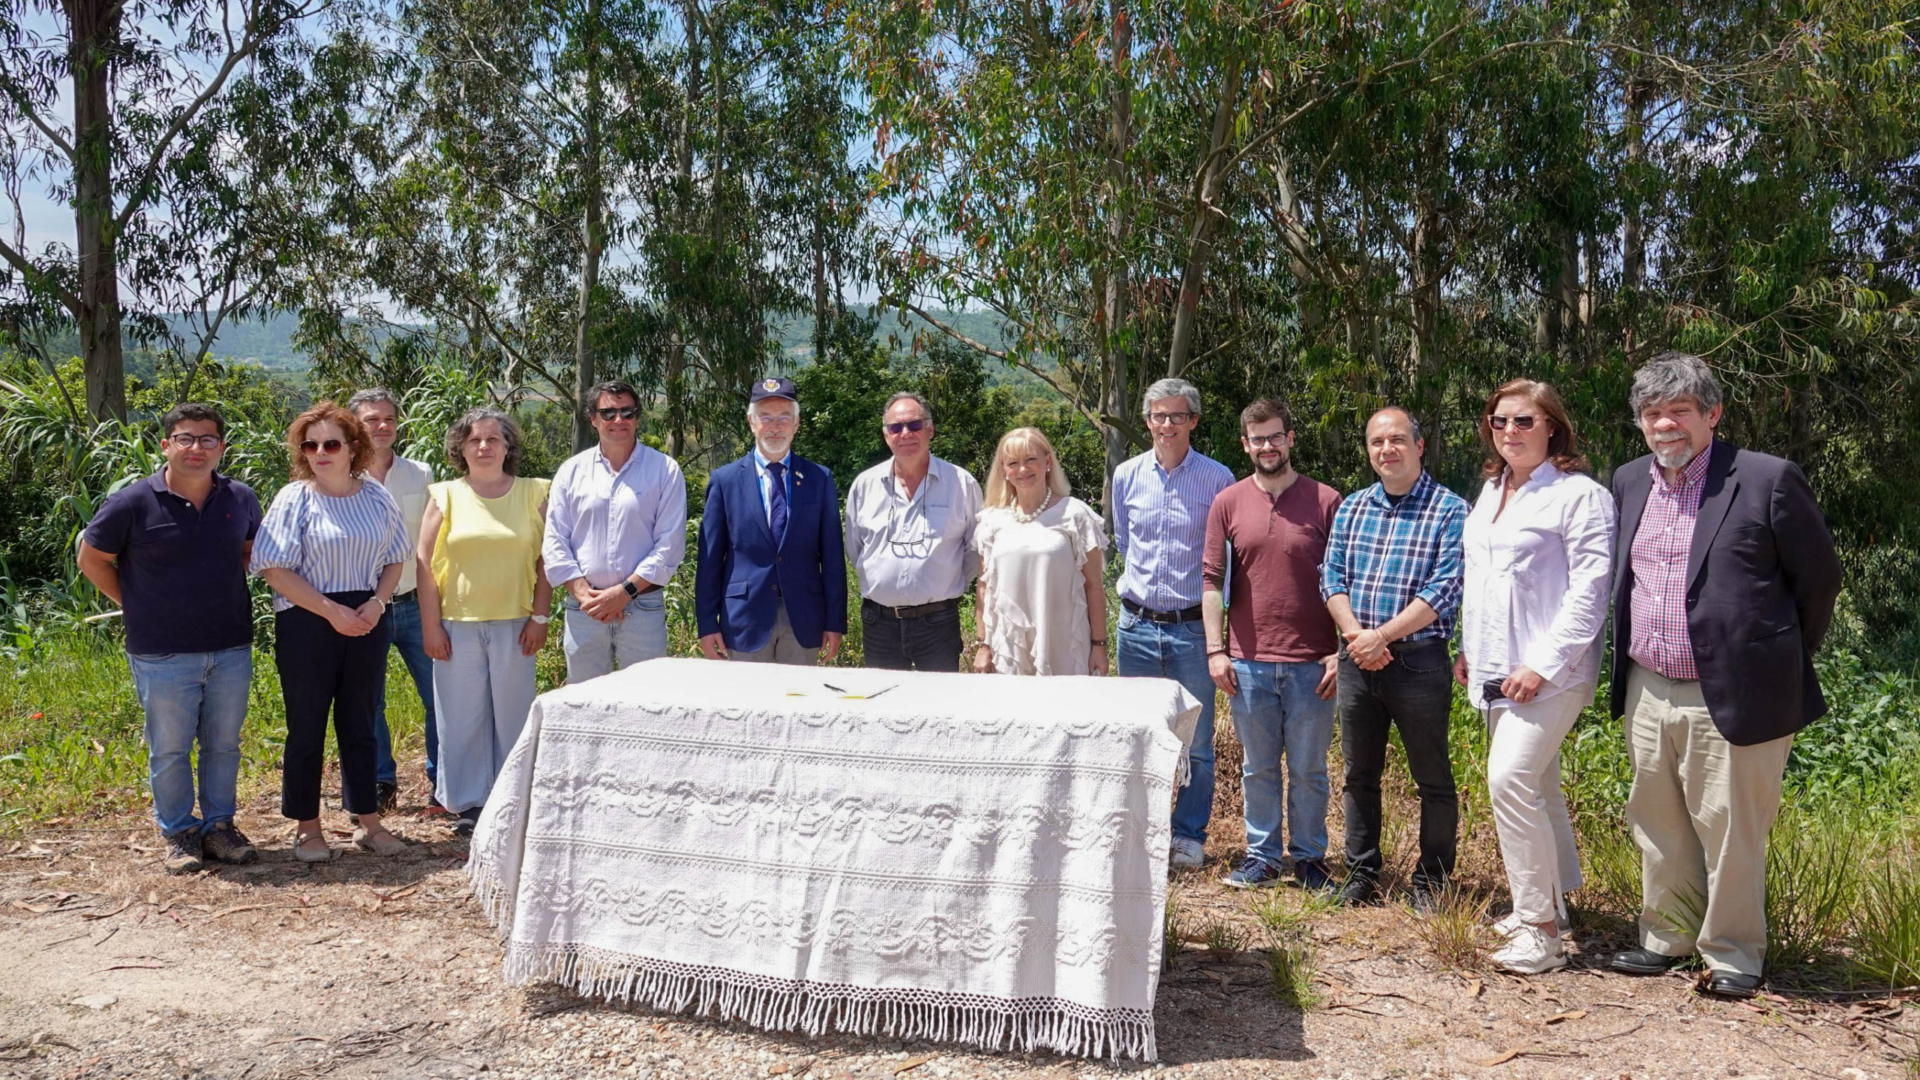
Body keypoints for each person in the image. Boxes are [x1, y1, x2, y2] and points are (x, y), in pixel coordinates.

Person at [1604, 353, 1841, 999]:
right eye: (1653, 413)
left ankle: (1734, 954)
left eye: (1679, 410)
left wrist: (1775, 655)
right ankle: (1667, 937)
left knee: (1732, 827)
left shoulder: (1766, 479)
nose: (1665, 424)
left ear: (1712, 413)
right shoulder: (1629, 481)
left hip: (1736, 692)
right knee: (1657, 821)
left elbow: (1818, 582)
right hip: (1648, 685)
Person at [1453, 380, 1615, 974]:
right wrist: (1472, 649)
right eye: (1500, 422)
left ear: (1553, 426)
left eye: (1524, 421)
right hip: (1496, 667)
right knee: (1540, 786)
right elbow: (1483, 580)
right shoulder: (1492, 491)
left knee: (1510, 780)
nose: (1510, 432)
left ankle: (1540, 934)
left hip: (1553, 671)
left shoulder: (1580, 496)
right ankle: (1550, 904)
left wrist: (1541, 664)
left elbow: (1590, 592)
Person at [77, 404, 264, 873]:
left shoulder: (239, 498)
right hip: (161, 651)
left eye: (207, 439)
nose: (196, 448)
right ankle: (179, 831)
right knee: (170, 747)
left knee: (224, 744)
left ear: (221, 447)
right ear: (166, 445)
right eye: (185, 438)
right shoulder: (132, 502)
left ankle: (219, 828)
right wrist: (137, 600)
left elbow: (248, 551)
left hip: (230, 645)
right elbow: (91, 558)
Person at [1320, 406, 1469, 910]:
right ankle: (1361, 873)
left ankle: (1432, 881)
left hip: (1419, 663)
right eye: (1377, 442)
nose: (1387, 450)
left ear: (1420, 445)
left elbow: (1446, 587)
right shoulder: (1354, 507)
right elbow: (1331, 578)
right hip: (1356, 658)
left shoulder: (1450, 509)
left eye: (1398, 440)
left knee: (1432, 778)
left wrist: (1380, 636)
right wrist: (1357, 637)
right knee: (1358, 773)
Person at [251, 403, 413, 862]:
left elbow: (397, 556)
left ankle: (368, 821)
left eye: (331, 444)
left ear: (352, 448)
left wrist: (377, 603)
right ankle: (307, 828)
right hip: (306, 619)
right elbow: (273, 567)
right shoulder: (294, 498)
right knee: (307, 725)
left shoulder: (376, 496)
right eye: (311, 444)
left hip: (366, 617)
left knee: (361, 722)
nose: (320, 452)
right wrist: (329, 612)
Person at [1201, 399, 1342, 890]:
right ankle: (1262, 857)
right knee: (1257, 768)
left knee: (1309, 770)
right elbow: (1212, 580)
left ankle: (1309, 859)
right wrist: (1216, 650)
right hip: (1248, 662)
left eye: (1275, 436)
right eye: (1257, 438)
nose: (1267, 446)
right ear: (1245, 444)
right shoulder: (1228, 502)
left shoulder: (1327, 500)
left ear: (1290, 438)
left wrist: (1341, 650)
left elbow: (1348, 580)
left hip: (1312, 663)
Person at [1112, 379, 1235, 870]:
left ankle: (1187, 836)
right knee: (1137, 736)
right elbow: (1125, 541)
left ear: (1194, 421)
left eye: (1177, 416)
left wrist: (1216, 635)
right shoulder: (1125, 475)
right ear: (1147, 421)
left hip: (1190, 629)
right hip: (1136, 627)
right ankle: (1141, 830)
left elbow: (1225, 559)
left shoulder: (1218, 478)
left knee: (1196, 741)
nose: (1167, 425)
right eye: (1159, 416)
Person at [417, 407, 553, 836]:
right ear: (460, 448)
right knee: (460, 719)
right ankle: (469, 806)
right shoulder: (445, 495)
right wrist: (431, 626)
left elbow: (550, 559)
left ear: (508, 446)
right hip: (456, 624)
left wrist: (541, 615)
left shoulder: (535, 493)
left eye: (493, 439)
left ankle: (511, 800)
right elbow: (422, 563)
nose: (483, 447)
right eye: (474, 440)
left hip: (516, 623)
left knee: (513, 717)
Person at [695, 376, 847, 664]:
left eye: (783, 418)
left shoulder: (819, 478)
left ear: (797, 424)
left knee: (799, 704)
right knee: (745, 706)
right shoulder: (724, 481)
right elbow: (711, 558)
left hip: (804, 618)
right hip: (743, 620)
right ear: (751, 423)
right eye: (765, 417)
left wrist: (835, 621)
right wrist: (706, 623)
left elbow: (832, 557)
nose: (775, 426)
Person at [544, 380, 687, 682]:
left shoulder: (665, 470)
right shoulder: (571, 471)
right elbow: (555, 542)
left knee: (649, 701)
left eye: (627, 412)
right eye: (608, 413)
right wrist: (587, 596)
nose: (618, 420)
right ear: (593, 419)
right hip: (584, 609)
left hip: (642, 607)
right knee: (584, 703)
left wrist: (623, 593)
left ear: (638, 416)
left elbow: (669, 546)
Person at [844, 391, 983, 672]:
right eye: (896, 427)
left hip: (938, 622)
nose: (905, 433)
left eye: (914, 425)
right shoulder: (864, 485)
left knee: (939, 709)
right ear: (886, 436)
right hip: (878, 622)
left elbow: (975, 551)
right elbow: (855, 548)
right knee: (883, 707)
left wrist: (943, 579)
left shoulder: (961, 483)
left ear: (930, 429)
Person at [347, 388, 437, 814]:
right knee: (370, 700)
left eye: (389, 419)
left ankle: (444, 779)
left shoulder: (421, 473)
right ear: (354, 426)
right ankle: (380, 781)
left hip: (417, 604)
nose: (382, 427)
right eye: (371, 420)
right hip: (363, 607)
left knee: (439, 695)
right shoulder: (338, 476)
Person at [973, 427, 1108, 676]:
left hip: (1065, 644)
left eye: (1030, 460)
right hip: (1009, 647)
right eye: (1013, 463)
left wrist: (1099, 646)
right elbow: (984, 588)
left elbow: (1094, 586)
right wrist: (984, 645)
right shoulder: (991, 521)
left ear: (1047, 462)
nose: (1022, 470)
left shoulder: (1075, 515)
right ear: (1004, 470)